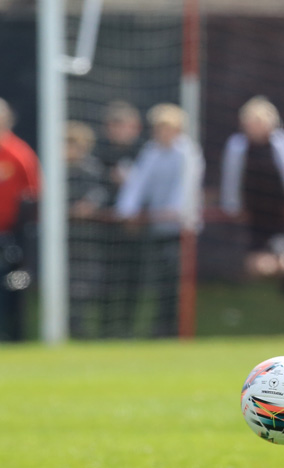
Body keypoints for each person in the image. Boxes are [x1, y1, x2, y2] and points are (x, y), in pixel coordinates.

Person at [116, 103, 204, 338]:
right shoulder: (151, 151)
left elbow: (184, 190)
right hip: (157, 229)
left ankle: (176, 330)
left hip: (180, 231)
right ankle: (159, 329)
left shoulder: (188, 153)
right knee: (159, 282)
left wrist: (173, 211)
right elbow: (137, 184)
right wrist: (126, 210)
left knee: (177, 284)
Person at [220, 96, 284, 294]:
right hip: (254, 217)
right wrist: (232, 207)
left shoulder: (281, 143)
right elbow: (231, 178)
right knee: (259, 266)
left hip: (280, 215)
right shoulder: (237, 146)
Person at [94, 100, 145, 338]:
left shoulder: (145, 153)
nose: (121, 130)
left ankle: (128, 328)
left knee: (133, 281)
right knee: (106, 282)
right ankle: (105, 328)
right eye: (116, 125)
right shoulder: (99, 154)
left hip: (136, 230)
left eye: (126, 125)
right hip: (106, 231)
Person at [0, 98, 40, 341]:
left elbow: (32, 195)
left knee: (12, 285)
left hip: (11, 236)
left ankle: (14, 334)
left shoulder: (19, 153)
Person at [65, 121, 108, 338]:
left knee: (87, 283)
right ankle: (65, 325)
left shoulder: (92, 169)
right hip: (63, 239)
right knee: (65, 282)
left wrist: (90, 204)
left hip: (87, 238)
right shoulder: (55, 171)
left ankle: (82, 326)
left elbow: (100, 192)